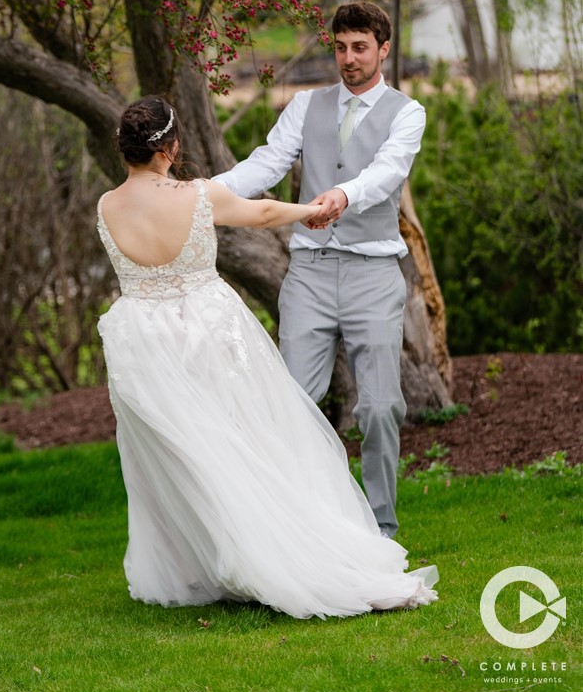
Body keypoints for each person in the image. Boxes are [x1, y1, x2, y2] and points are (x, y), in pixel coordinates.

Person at [96, 94, 437, 618]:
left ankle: (203, 561)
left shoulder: (106, 205)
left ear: (125, 150)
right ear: (170, 147)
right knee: (242, 439)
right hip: (206, 330)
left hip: (141, 339)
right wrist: (313, 211)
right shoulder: (195, 195)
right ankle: (258, 555)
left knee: (175, 454)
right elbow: (263, 212)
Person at [214, 1, 426, 539]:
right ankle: (297, 525)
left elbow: (386, 173)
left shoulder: (407, 112)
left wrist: (343, 194)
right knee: (293, 405)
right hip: (308, 274)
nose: (349, 58)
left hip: (373, 277)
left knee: (379, 409)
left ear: (383, 48)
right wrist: (209, 191)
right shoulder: (306, 107)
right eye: (340, 47)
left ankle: (381, 527)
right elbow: (267, 161)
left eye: (360, 47)